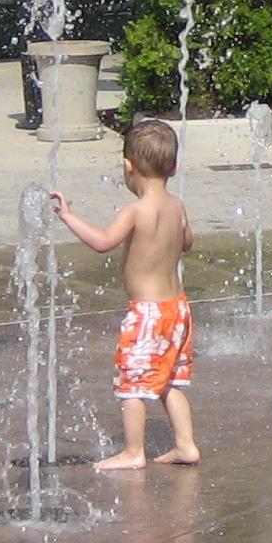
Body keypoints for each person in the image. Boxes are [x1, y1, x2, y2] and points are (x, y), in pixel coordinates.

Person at [52, 117, 200, 471]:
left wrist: (69, 217)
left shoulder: (135, 210)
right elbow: (188, 243)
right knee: (170, 381)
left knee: (132, 383)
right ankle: (186, 445)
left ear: (128, 167)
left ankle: (134, 451)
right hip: (178, 310)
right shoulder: (176, 206)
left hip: (148, 314)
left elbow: (103, 242)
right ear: (174, 167)